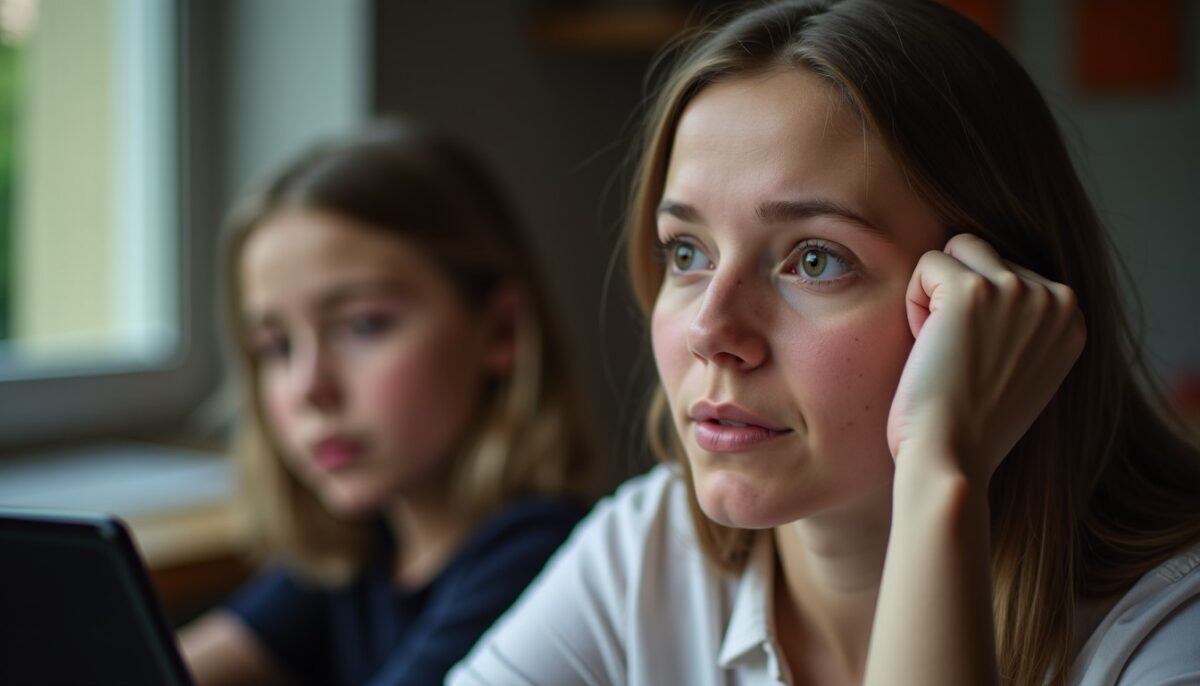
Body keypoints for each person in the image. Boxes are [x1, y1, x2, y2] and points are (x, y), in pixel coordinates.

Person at [448, 1, 1200, 684]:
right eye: (687, 253)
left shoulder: (1169, 624)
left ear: (995, 300)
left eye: (815, 259)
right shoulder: (647, 555)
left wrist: (941, 470)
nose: (711, 330)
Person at [179, 120, 597, 686]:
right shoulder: (361, 553)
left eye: (363, 325)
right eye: (276, 347)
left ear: (499, 331)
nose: (309, 387)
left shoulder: (540, 559)